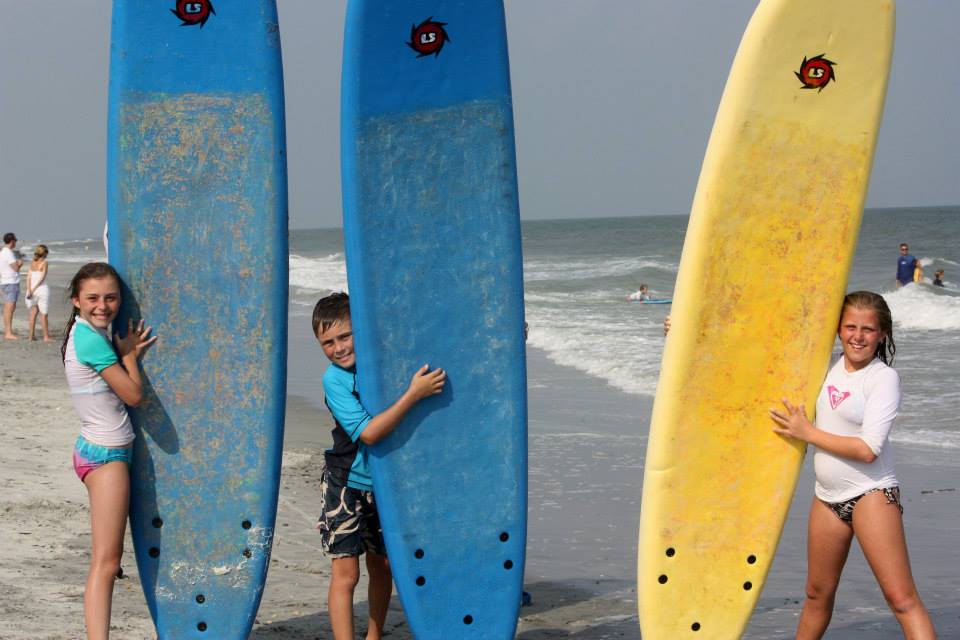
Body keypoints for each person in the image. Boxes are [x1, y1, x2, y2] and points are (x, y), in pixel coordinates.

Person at [769, 291, 936, 639]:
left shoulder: (882, 378)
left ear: (882, 334)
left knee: (901, 599)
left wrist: (808, 433)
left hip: (870, 495)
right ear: (838, 329)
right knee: (816, 595)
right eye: (850, 327)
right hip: (827, 497)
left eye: (868, 329)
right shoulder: (825, 366)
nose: (858, 337)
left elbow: (868, 449)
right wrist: (683, 332)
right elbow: (760, 356)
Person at [312, 292, 446, 640]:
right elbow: (369, 434)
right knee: (347, 574)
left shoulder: (386, 362)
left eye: (345, 336)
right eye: (328, 342)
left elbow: (439, 338)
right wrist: (414, 394)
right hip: (345, 484)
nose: (338, 348)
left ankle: (374, 636)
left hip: (385, 482)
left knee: (383, 565)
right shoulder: (334, 380)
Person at [62, 262, 157, 640]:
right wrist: (129, 356)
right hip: (106, 456)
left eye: (111, 297)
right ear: (76, 300)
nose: (102, 305)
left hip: (101, 451)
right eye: (93, 298)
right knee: (106, 562)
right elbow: (133, 394)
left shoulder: (90, 333)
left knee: (108, 562)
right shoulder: (88, 339)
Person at [25, 244, 53, 342]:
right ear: (44, 253)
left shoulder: (32, 263)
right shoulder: (45, 263)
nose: (47, 254)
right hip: (41, 290)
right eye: (46, 252)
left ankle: (31, 336)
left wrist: (30, 289)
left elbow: (28, 278)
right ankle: (46, 337)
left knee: (33, 313)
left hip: (31, 291)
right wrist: (34, 289)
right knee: (44, 313)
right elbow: (42, 278)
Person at [1, 232, 24, 339]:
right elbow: (15, 268)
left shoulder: (2, 252)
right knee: (9, 308)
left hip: (5, 281)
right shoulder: (8, 253)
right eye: (15, 240)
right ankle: (8, 333)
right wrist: (19, 263)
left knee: (8, 308)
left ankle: (8, 331)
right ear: (12, 241)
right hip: (11, 282)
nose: (16, 242)